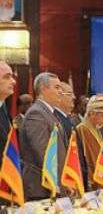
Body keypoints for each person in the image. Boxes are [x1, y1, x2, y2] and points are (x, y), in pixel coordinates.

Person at [20, 72, 68, 200]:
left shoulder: (49, 113)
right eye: (57, 87)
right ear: (43, 89)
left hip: (52, 185)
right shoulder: (36, 113)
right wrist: (57, 183)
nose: (61, 92)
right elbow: (43, 152)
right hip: (41, 188)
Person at [76, 95, 103, 192]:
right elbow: (87, 158)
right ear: (92, 114)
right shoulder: (82, 129)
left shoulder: (97, 129)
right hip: (91, 181)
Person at [52, 82, 75, 147]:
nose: (74, 97)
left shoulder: (65, 118)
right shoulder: (54, 118)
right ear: (59, 96)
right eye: (70, 94)